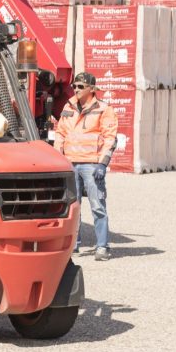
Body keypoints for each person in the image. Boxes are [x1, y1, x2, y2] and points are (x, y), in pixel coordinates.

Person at [53, 71, 118, 261]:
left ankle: (102, 247)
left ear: (91, 89)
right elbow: (60, 133)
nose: (76, 89)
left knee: (97, 206)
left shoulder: (104, 109)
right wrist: (58, 160)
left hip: (91, 165)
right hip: (71, 163)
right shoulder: (69, 106)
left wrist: (102, 164)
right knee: (73, 207)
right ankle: (74, 244)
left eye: (81, 87)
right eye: (75, 86)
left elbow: (110, 138)